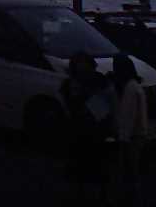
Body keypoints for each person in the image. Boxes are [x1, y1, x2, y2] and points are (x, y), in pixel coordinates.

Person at [60, 51, 116, 203]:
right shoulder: (71, 84)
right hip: (82, 131)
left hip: (94, 131)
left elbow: (105, 108)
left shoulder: (99, 83)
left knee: (95, 166)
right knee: (83, 166)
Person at [111, 54, 147, 204]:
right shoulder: (134, 86)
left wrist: (123, 137)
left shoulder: (129, 88)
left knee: (129, 167)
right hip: (137, 133)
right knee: (131, 167)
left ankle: (130, 196)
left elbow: (128, 114)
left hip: (132, 134)